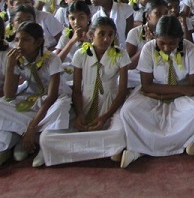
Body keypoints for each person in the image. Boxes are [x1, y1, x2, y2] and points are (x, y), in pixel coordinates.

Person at [120, 15, 194, 168]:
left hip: (176, 95)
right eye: (162, 43)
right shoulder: (148, 48)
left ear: (180, 38)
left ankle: (178, 143)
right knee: (128, 111)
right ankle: (139, 148)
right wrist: (179, 90)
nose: (167, 48)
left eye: (172, 43)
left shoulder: (190, 49)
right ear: (155, 36)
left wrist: (162, 94)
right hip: (160, 93)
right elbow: (147, 85)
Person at [37, 17, 130, 167]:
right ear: (91, 35)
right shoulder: (81, 54)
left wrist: (105, 116)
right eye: (101, 34)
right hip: (84, 102)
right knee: (46, 138)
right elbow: (77, 89)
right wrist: (80, 114)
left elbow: (122, 91)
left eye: (110, 34)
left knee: (118, 134)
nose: (106, 38)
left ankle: (68, 151)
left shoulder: (120, 54)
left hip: (111, 103)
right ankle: (107, 149)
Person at [0, 22, 71, 166]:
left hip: (53, 100)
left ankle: (33, 135)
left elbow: (51, 97)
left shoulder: (52, 59)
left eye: (25, 40)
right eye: (17, 39)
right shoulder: (17, 59)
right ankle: (29, 134)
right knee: (1, 104)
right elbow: (9, 95)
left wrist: (32, 127)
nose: (19, 44)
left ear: (38, 42)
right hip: (31, 98)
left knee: (60, 108)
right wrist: (10, 66)